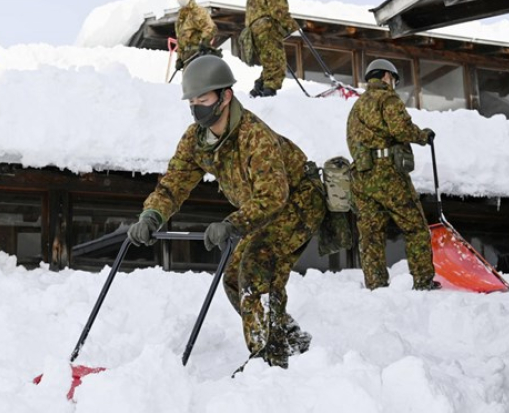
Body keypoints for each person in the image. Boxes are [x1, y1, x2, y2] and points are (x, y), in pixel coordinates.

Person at [127, 55, 326, 368]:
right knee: (233, 276)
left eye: (203, 100)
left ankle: (268, 361)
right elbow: (174, 184)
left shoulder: (254, 137)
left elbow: (274, 196)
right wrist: (151, 215)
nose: (196, 108)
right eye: (191, 101)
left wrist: (232, 224)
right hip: (258, 209)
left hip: (298, 202)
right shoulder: (196, 140)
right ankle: (289, 338)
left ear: (225, 96)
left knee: (256, 267)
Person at [346, 59, 440, 291]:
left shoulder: (357, 107)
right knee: (415, 226)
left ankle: (376, 285)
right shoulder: (387, 98)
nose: (394, 84)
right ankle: (423, 281)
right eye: (394, 79)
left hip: (361, 175)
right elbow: (401, 129)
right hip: (386, 174)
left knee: (370, 233)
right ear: (387, 76)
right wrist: (422, 135)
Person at [245, 0, 298, 98]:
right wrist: (292, 25)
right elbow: (278, 9)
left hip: (254, 28)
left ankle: (258, 90)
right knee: (276, 65)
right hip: (267, 26)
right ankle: (268, 96)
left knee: (270, 64)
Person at [174, 0, 220, 71]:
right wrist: (179, 59)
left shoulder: (198, 11)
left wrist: (205, 41)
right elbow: (180, 40)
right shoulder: (181, 17)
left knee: (198, 79)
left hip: (197, 54)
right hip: (186, 57)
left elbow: (210, 28)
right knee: (187, 81)